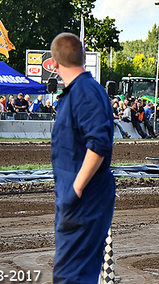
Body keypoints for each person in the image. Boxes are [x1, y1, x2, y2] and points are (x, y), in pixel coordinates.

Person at [49, 32, 115, 284]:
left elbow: (98, 144)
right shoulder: (80, 91)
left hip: (84, 200)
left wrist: (76, 189)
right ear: (84, 57)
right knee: (70, 274)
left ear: (53, 64)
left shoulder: (85, 93)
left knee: (72, 277)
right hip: (78, 199)